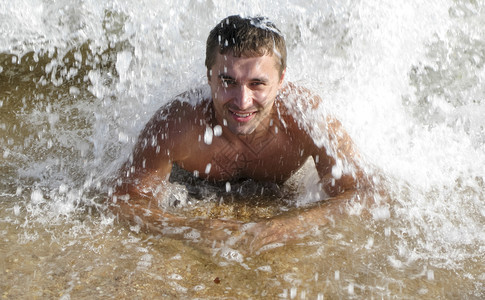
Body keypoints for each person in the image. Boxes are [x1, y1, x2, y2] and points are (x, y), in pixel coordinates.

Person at [110, 15, 370, 254]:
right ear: (209, 77)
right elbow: (124, 200)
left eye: (257, 84)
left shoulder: (307, 118)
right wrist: (191, 229)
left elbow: (365, 193)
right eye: (228, 81)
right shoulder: (176, 125)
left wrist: (286, 228)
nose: (242, 102)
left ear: (281, 80)